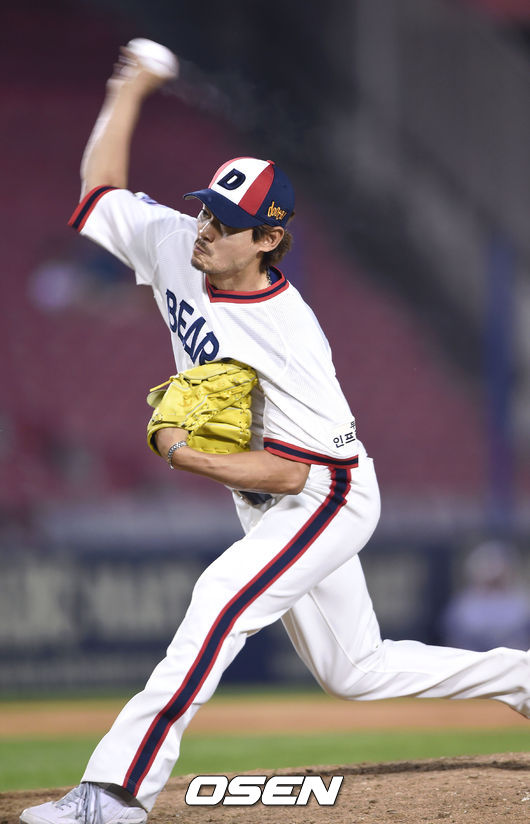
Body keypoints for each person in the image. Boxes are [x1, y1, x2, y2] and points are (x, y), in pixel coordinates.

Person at [21, 45, 529, 824]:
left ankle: (116, 791)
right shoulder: (177, 242)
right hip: (272, 495)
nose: (206, 229)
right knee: (355, 672)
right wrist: (128, 90)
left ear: (267, 240)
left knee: (219, 597)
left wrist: (185, 453)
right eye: (206, 210)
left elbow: (297, 476)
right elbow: (100, 193)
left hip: (326, 492)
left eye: (227, 224)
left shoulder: (289, 337)